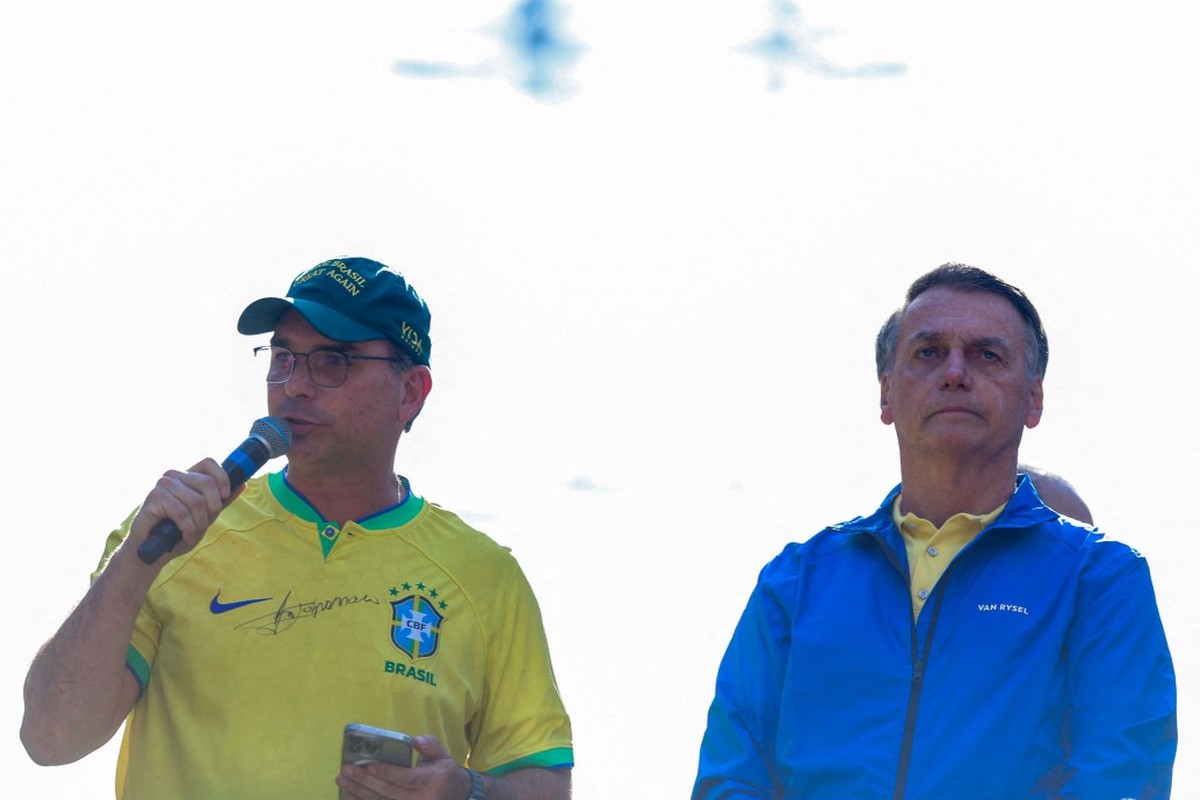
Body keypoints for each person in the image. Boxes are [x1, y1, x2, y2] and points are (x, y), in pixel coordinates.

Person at [21, 257, 573, 800]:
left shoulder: (485, 577)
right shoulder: (171, 535)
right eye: (282, 357)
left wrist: (467, 791)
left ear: (411, 392)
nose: (295, 386)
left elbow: (545, 783)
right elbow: (50, 738)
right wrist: (132, 566)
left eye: (333, 361)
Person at [693, 263, 1175, 798]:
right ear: (886, 392)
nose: (954, 373)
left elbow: (1119, 778)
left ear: (1034, 398)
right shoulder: (795, 583)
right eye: (928, 353)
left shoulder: (1102, 579)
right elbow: (731, 777)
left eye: (987, 355)